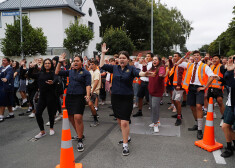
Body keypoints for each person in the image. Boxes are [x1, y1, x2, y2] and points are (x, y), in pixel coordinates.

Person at [100, 43, 154, 156]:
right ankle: (127, 137)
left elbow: (139, 73)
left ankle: (125, 145)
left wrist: (145, 73)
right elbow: (102, 66)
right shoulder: (114, 68)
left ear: (128, 60)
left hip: (127, 98)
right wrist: (103, 53)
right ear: (117, 59)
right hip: (115, 97)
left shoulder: (131, 69)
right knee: (119, 120)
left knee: (124, 122)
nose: (121, 60)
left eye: (124, 58)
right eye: (120, 58)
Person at [177, 50, 217, 140]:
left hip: (199, 88)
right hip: (191, 88)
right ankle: (196, 123)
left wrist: (205, 87)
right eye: (194, 55)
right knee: (192, 107)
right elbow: (178, 63)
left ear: (200, 57)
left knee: (199, 106)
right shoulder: (190, 64)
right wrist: (185, 55)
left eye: (197, 55)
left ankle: (199, 130)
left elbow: (212, 76)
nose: (195, 56)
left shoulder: (204, 66)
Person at [56, 53, 91, 152]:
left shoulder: (86, 73)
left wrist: (88, 95)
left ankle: (80, 140)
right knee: (71, 117)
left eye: (77, 61)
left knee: (78, 117)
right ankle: (80, 134)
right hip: (69, 97)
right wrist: (59, 62)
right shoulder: (70, 72)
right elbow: (57, 72)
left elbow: (88, 85)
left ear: (81, 62)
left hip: (79, 96)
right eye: (74, 61)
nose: (75, 62)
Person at [29, 59, 58, 139]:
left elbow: (56, 78)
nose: (47, 64)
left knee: (50, 113)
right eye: (46, 63)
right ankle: (42, 131)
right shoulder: (40, 73)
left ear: (51, 64)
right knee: (38, 113)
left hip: (51, 96)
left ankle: (51, 128)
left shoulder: (53, 72)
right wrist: (32, 67)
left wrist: (53, 82)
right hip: (42, 96)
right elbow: (30, 75)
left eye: (49, 63)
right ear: (43, 65)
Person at [221, 56, 235, 158]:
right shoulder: (232, 73)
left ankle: (230, 147)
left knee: (227, 126)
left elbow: (232, 84)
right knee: (227, 126)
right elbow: (228, 82)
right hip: (230, 103)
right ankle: (231, 146)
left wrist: (230, 72)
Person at [207, 54, 226, 125]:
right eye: (213, 59)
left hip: (218, 88)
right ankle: (213, 114)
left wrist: (221, 85)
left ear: (219, 59)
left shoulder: (221, 67)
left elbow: (225, 77)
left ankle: (224, 119)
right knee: (210, 102)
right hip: (211, 87)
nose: (214, 60)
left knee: (220, 102)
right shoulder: (211, 66)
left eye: (216, 58)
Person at [148, 56, 166, 132]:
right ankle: (156, 121)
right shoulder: (151, 68)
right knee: (152, 107)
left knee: (155, 107)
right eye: (153, 60)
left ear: (159, 61)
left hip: (157, 91)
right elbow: (145, 72)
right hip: (151, 90)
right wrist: (145, 66)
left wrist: (161, 74)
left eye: (155, 60)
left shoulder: (161, 67)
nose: (154, 61)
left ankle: (155, 124)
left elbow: (162, 72)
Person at [133, 52, 153, 117]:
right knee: (140, 97)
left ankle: (154, 113)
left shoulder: (152, 64)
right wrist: (137, 58)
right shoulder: (143, 64)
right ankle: (140, 111)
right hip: (142, 82)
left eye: (148, 56)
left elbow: (147, 73)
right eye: (146, 56)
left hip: (149, 83)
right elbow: (136, 65)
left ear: (152, 58)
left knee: (149, 98)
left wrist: (144, 66)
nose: (147, 57)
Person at [170, 53, 186, 126]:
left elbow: (180, 75)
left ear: (179, 57)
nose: (174, 57)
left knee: (177, 100)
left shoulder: (181, 65)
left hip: (179, 86)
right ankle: (178, 114)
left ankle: (179, 118)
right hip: (175, 85)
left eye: (175, 56)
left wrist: (179, 85)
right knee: (173, 100)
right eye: (174, 56)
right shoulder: (176, 65)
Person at [0, 57, 14, 122]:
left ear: (8, 62)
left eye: (4, 60)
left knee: (2, 101)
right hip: (3, 86)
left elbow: (9, 74)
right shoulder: (2, 68)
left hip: (6, 87)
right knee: (8, 101)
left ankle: (1, 116)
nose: (3, 62)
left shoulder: (10, 68)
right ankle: (11, 114)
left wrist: (6, 78)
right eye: (2, 60)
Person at [88, 60, 101, 127]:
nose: (91, 65)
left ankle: (95, 120)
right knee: (90, 105)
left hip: (94, 91)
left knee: (90, 104)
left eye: (92, 64)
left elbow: (96, 82)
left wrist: (92, 91)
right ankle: (95, 114)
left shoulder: (97, 72)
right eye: (90, 64)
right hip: (90, 90)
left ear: (96, 65)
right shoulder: (91, 71)